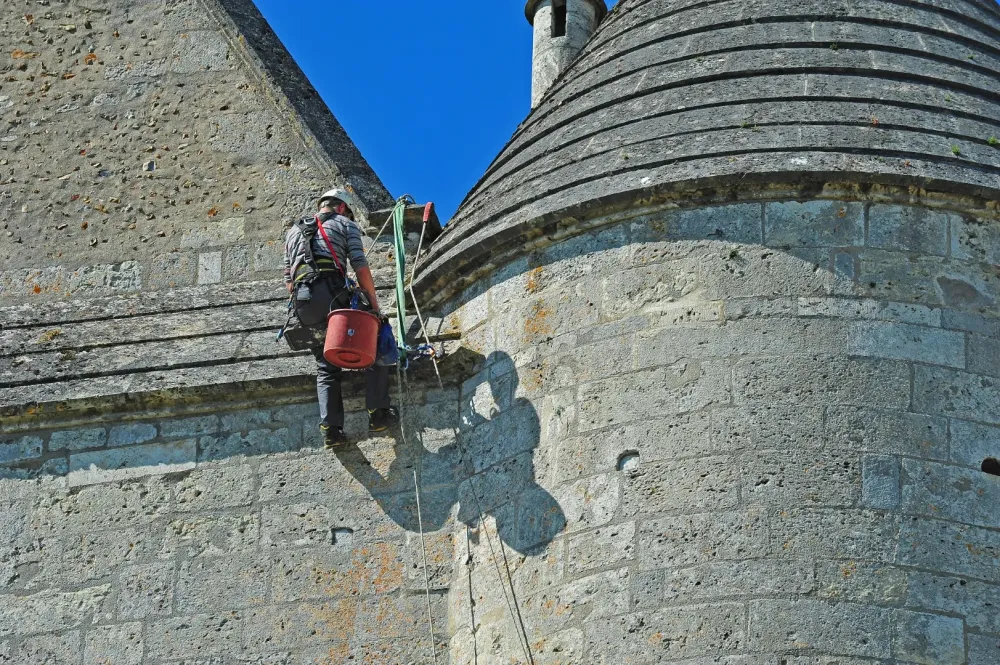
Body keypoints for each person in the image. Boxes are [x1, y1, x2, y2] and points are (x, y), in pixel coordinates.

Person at [283, 187, 397, 448]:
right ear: (343, 207)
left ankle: (331, 430)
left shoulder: (292, 233)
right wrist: (375, 309)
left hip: (302, 302)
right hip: (332, 293)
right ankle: (378, 414)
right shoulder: (345, 224)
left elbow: (289, 281)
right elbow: (359, 265)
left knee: (325, 366)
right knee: (374, 341)